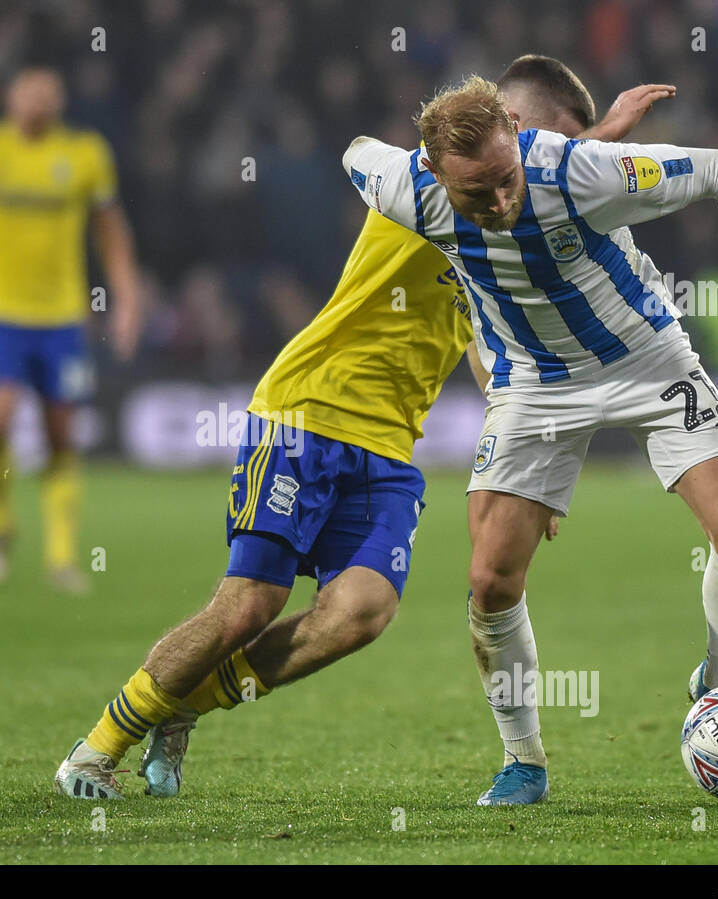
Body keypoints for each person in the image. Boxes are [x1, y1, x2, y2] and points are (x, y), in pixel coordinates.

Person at [54, 59, 672, 799]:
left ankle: (186, 701)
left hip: (389, 444)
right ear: (508, 133)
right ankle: (94, 750)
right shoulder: (433, 185)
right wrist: (605, 135)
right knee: (251, 603)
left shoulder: (508, 235)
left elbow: (490, 350)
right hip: (308, 412)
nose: (564, 170)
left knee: (361, 611)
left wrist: (524, 460)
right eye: (559, 147)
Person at [344, 71, 718, 805]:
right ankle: (523, 760)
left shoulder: (577, 170)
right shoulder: (407, 185)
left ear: (519, 143)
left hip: (648, 359)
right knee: (492, 580)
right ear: (434, 175)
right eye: (477, 193)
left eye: (506, 180)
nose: (499, 201)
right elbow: (358, 151)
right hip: (534, 386)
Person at [0, 66, 141, 593]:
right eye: (29, 92)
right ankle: (1, 523)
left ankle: (63, 557)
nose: (38, 101)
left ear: (61, 100)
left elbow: (111, 233)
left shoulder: (87, 154)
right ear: (10, 98)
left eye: (49, 92)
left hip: (62, 319)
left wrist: (128, 298)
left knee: (61, 432)